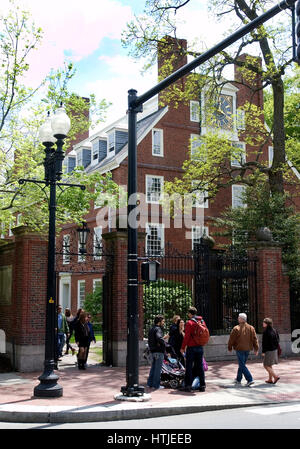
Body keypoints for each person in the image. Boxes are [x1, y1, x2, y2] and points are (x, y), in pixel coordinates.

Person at [228, 312, 259, 387]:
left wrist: (230, 347)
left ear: (241, 319)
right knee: (242, 364)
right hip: (248, 348)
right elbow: (255, 339)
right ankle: (238, 379)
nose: (238, 319)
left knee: (242, 365)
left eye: (239, 318)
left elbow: (231, 339)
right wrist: (256, 348)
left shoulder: (236, 328)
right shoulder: (251, 328)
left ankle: (250, 379)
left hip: (239, 348)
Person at [180, 307, 206, 392]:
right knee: (200, 366)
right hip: (200, 347)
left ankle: (188, 386)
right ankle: (202, 385)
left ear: (190, 314)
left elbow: (187, 337)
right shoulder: (202, 321)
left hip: (191, 348)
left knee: (189, 366)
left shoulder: (189, 322)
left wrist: (183, 347)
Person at [147, 315, 166, 390]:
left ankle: (150, 383)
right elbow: (159, 338)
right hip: (158, 351)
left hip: (152, 351)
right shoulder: (158, 329)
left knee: (153, 368)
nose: (163, 323)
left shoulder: (151, 329)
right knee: (157, 369)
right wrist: (163, 343)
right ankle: (156, 385)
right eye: (163, 321)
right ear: (159, 322)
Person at [262, 317, 280, 384]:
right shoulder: (274, 330)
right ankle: (270, 379)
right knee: (269, 365)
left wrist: (263, 352)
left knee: (265, 365)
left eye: (264, 322)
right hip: (274, 350)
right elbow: (278, 340)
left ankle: (275, 377)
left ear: (267, 324)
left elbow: (264, 343)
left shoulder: (266, 332)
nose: (263, 323)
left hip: (269, 351)